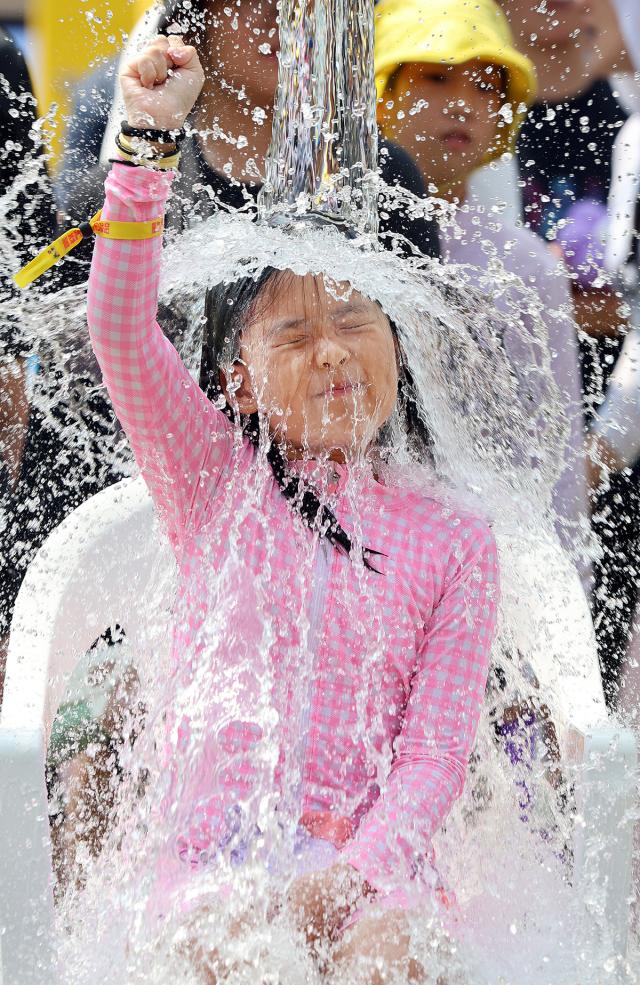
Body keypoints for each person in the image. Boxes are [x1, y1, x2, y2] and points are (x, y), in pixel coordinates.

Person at [84, 34, 499, 982]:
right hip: (217, 858)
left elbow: (434, 758)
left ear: (397, 349)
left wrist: (352, 880)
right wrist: (146, 145)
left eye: (356, 319)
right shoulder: (214, 480)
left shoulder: (455, 540)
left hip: (376, 866)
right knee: (232, 951)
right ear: (235, 382)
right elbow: (118, 329)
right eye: (294, 332)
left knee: (396, 957)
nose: (332, 351)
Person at [374, 0, 591, 586]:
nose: (464, 103)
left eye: (487, 86)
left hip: (488, 567)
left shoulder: (523, 267)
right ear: (381, 93)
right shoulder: (341, 236)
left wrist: (565, 586)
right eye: (436, 77)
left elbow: (555, 448)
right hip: (365, 559)